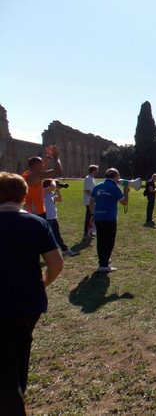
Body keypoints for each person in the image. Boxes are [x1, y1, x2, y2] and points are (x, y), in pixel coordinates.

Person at [0, 172, 64, 415]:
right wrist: (43, 283)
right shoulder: (37, 224)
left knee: (7, 363)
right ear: (24, 196)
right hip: (28, 303)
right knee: (20, 348)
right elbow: (56, 264)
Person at [89, 168, 129, 273]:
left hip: (98, 217)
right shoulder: (114, 188)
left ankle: (103, 260)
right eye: (118, 176)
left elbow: (91, 202)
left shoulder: (97, 186)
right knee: (109, 241)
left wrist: (92, 214)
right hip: (109, 218)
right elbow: (124, 202)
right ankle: (104, 265)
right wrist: (126, 192)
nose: (119, 178)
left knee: (101, 240)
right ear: (115, 176)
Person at [22, 145, 63, 219]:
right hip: (35, 212)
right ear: (36, 165)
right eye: (41, 163)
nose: (43, 164)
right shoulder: (34, 175)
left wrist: (49, 156)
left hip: (32, 210)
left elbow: (43, 168)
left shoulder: (28, 174)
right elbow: (57, 171)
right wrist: (56, 156)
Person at [43, 179, 79, 257]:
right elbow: (51, 187)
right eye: (56, 184)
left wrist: (58, 191)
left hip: (53, 217)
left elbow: (59, 200)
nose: (56, 185)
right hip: (46, 217)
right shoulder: (43, 191)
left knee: (57, 235)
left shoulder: (51, 193)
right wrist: (54, 184)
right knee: (45, 237)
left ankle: (65, 250)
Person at [83, 164, 98, 239]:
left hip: (92, 201)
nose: (97, 172)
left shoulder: (92, 178)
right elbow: (86, 190)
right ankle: (86, 234)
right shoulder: (88, 178)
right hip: (89, 201)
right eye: (96, 170)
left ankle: (90, 232)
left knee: (92, 217)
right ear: (93, 170)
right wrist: (93, 197)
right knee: (89, 217)